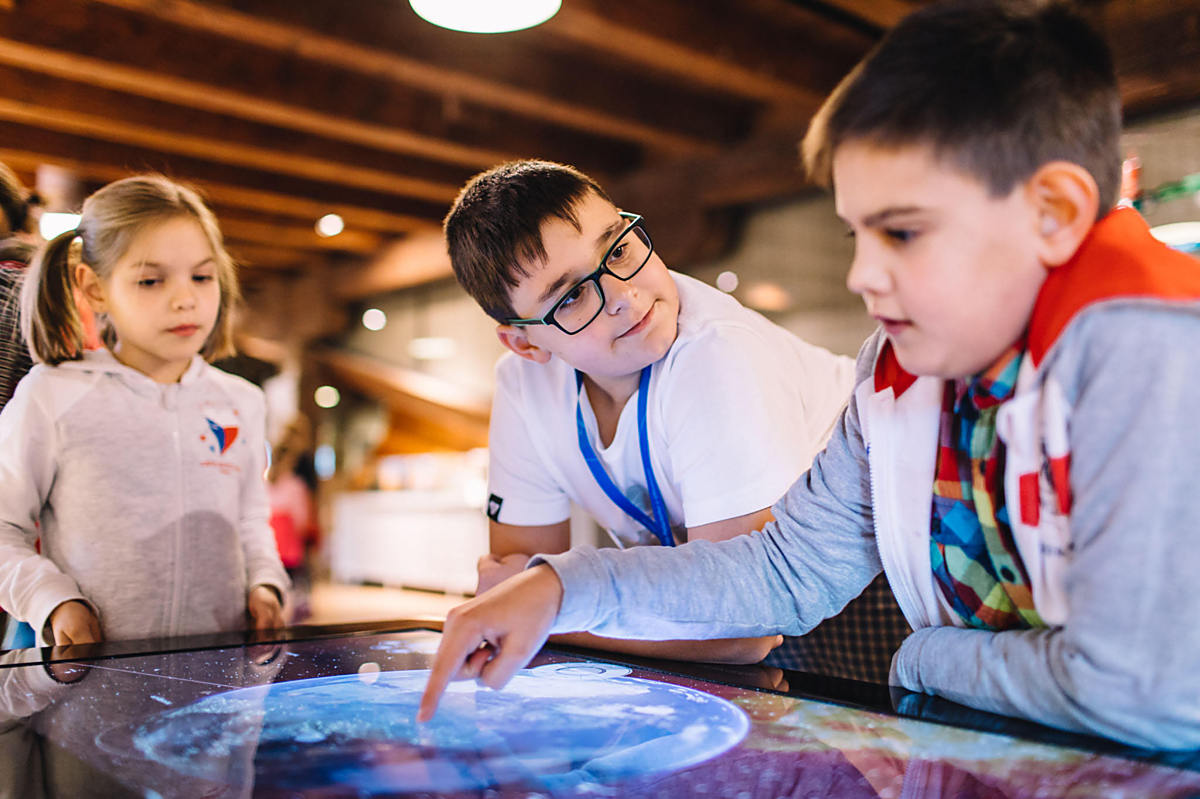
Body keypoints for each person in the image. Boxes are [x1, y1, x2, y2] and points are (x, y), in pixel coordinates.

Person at [418, 0, 1200, 750]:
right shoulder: (893, 376)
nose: (861, 276)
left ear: (1054, 212)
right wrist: (563, 586)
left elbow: (1141, 689)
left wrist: (923, 661)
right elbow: (783, 570)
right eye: (857, 234)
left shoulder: (1153, 351)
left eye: (902, 232)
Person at [443, 159, 910, 678]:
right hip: (731, 596)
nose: (624, 296)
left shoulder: (717, 351)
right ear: (524, 343)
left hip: (868, 585)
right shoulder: (522, 383)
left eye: (618, 249)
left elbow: (745, 626)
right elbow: (511, 590)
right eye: (572, 296)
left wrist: (550, 610)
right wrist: (537, 604)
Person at [0, 174, 289, 648]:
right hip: (96, 681)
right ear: (94, 288)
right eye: (151, 280)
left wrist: (265, 584)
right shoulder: (53, 395)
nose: (185, 299)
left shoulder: (241, 401)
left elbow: (250, 520)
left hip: (221, 678)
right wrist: (53, 600)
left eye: (202, 276)